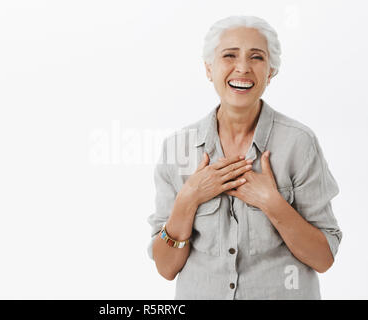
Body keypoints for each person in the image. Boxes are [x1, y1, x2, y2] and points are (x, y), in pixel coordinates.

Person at [146, 15, 342, 299]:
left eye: (256, 57)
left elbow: (323, 258)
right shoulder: (178, 148)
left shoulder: (299, 144)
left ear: (271, 71)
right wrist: (188, 199)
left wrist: (272, 204)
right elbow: (166, 268)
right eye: (229, 55)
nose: (242, 68)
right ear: (208, 68)